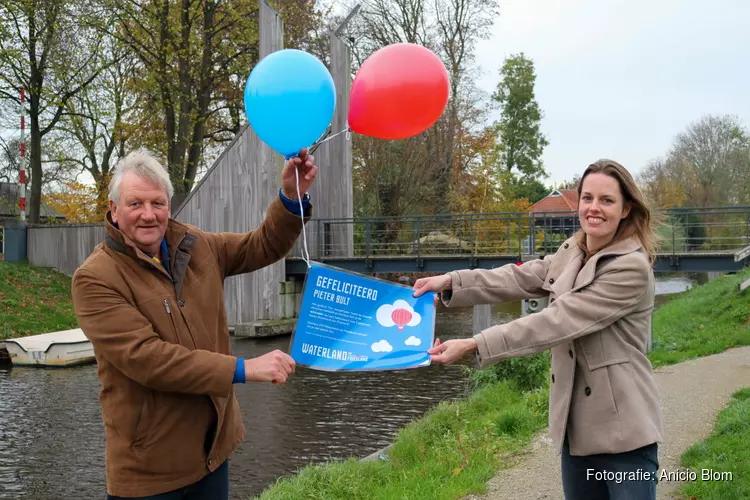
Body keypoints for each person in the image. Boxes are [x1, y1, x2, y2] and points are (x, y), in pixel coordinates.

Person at [71, 147, 318, 499]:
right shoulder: (95, 278)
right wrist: (243, 368)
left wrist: (291, 198)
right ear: (113, 209)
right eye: (135, 204)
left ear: (169, 206)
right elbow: (148, 358)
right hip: (150, 471)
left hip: (212, 454)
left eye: (158, 203)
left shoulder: (196, 244)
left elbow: (261, 245)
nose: (148, 215)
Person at [413, 159, 663, 500]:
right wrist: (452, 280)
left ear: (625, 208)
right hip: (577, 430)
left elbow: (555, 322)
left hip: (623, 431)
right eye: (587, 198)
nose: (594, 208)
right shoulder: (574, 250)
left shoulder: (630, 267)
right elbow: (520, 275)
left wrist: (475, 343)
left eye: (607, 200)